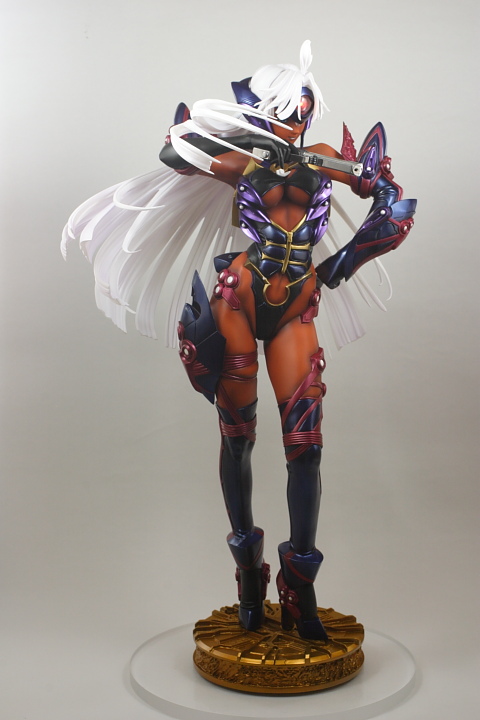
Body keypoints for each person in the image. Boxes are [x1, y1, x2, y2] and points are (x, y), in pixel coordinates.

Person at [63, 40, 416, 641]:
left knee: (305, 443)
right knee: (238, 438)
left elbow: (388, 196)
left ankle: (298, 583)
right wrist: (244, 147)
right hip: (239, 297)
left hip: (297, 302)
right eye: (288, 108)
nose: (298, 119)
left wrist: (352, 251)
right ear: (266, 107)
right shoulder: (241, 161)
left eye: (305, 109)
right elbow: (174, 150)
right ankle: (248, 573)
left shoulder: (323, 159)